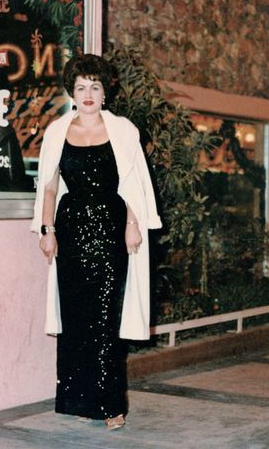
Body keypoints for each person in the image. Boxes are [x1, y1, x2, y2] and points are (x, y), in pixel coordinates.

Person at [31, 54, 162, 430]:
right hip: (70, 230)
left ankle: (109, 405)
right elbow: (50, 186)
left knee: (106, 317)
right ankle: (76, 398)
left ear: (105, 92)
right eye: (81, 87)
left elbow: (132, 184)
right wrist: (47, 231)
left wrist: (133, 224)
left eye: (95, 87)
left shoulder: (123, 130)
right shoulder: (57, 131)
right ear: (72, 92)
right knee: (75, 317)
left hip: (110, 227)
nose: (87, 94)